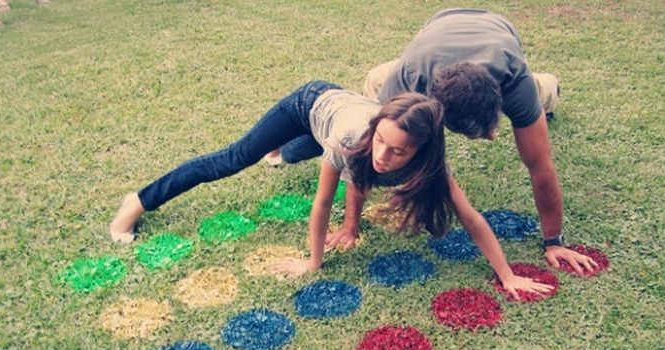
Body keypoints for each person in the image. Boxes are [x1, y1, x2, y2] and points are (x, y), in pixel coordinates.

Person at [109, 80, 552, 298]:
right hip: (310, 104)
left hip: (332, 130)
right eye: (382, 141)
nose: (384, 156)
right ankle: (138, 200)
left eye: (398, 152)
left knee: (306, 153)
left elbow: (472, 220)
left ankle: (283, 152)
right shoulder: (353, 141)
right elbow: (324, 203)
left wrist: (508, 274)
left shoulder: (433, 167)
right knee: (235, 158)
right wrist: (312, 261)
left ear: (421, 152)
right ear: (377, 127)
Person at [281, 8, 597, 275]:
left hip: (498, 34)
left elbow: (540, 166)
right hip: (437, 33)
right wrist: (351, 225)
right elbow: (365, 157)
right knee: (375, 96)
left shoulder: (515, 82)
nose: (491, 138)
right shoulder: (408, 81)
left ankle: (550, 86)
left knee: (541, 95)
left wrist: (554, 241)